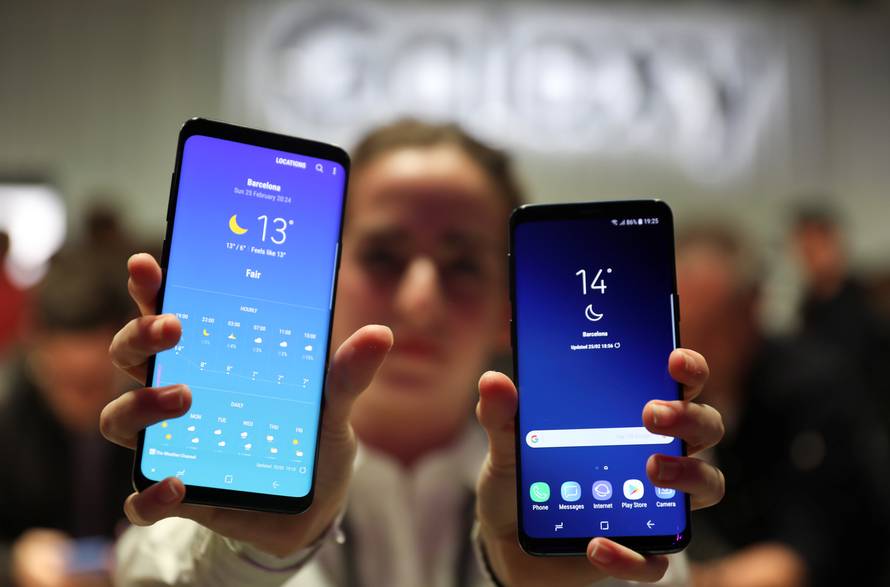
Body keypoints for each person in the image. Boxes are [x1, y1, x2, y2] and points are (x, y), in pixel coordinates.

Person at [103, 120, 725, 586]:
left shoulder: (593, 502)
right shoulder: (233, 464)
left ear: (511, 304)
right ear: (325, 270)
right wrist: (256, 555)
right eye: (383, 256)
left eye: (461, 265)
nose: (421, 299)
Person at [676, 225, 890, 587]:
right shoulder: (683, 395)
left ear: (752, 307)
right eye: (683, 327)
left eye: (711, 326)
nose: (694, 346)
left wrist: (696, 580)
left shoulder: (817, 385)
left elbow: (807, 550)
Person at [0, 250, 137, 587]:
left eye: (93, 384)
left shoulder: (156, 414)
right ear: (35, 353)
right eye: (64, 383)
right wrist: (12, 560)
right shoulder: (8, 414)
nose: (80, 406)